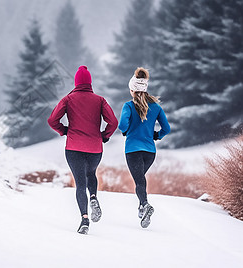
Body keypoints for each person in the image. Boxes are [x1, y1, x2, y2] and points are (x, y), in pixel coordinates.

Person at [48, 65, 118, 234]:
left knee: (80, 183)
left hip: (73, 147)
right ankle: (93, 196)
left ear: (76, 82)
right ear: (90, 82)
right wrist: (105, 136)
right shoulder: (100, 100)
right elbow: (113, 122)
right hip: (95, 148)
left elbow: (52, 120)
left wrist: (64, 130)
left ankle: (84, 219)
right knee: (91, 174)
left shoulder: (68, 99)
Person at [118, 67, 170, 228]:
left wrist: (127, 131)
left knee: (139, 181)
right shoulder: (156, 107)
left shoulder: (128, 105)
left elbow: (122, 125)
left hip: (133, 150)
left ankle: (145, 205)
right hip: (150, 151)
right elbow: (166, 128)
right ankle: (141, 207)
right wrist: (156, 136)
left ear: (132, 89)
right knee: (140, 180)